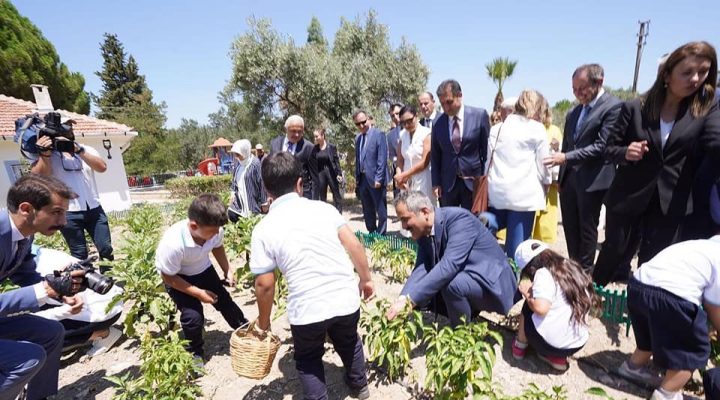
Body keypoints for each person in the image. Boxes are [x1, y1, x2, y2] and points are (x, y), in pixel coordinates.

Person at [593, 41, 720, 286]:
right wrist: (626, 152)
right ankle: (590, 297)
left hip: (671, 202)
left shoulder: (705, 109)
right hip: (629, 196)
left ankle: (641, 304)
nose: (695, 79)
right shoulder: (634, 108)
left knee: (656, 264)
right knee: (613, 253)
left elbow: (714, 141)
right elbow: (608, 149)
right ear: (667, 75)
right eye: (687, 72)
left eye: (703, 72)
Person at [250, 152, 374, 400]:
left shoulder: (263, 228)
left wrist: (264, 322)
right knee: (349, 341)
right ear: (299, 184)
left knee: (308, 359)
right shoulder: (324, 210)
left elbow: (264, 284)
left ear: (266, 189)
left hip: (307, 310)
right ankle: (359, 386)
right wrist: (366, 279)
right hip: (344, 299)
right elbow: (354, 245)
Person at [616, 181, 720, 400]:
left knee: (651, 335)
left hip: (639, 284)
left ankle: (633, 367)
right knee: (694, 350)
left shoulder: (703, 246)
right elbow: (713, 305)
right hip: (671, 295)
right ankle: (666, 393)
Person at [0, 174, 85, 400]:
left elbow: (24, 274)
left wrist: (61, 294)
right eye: (57, 212)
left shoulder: (23, 235)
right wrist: (44, 291)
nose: (64, 221)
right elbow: (38, 288)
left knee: (51, 332)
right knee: (27, 358)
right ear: (26, 209)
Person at [386, 191, 517, 327]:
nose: (403, 226)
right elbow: (422, 267)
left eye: (405, 219)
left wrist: (411, 300)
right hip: (471, 277)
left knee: (452, 285)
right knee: (423, 290)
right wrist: (403, 298)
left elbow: (449, 266)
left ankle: (461, 335)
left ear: (425, 212)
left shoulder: (460, 220)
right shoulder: (424, 231)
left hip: (493, 284)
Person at [543, 64, 622, 273]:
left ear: (599, 82)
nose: (577, 93)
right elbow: (568, 144)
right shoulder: (574, 111)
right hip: (570, 181)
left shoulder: (613, 107)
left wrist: (565, 158)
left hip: (593, 180)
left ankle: (585, 275)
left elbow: (601, 146)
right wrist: (561, 179)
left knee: (587, 230)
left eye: (582, 88)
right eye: (574, 89)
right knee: (570, 229)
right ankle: (573, 271)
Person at [155, 194, 248, 364]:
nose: (216, 234)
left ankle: (244, 329)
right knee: (193, 317)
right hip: (177, 278)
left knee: (224, 301)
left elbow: (217, 246)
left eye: (217, 230)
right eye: (212, 232)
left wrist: (227, 270)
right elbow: (167, 276)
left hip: (203, 269)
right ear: (193, 226)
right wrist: (198, 293)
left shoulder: (215, 230)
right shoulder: (173, 244)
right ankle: (195, 352)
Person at [482, 89, 552, 259]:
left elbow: (488, 161)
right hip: (523, 197)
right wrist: (547, 183)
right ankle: (512, 274)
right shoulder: (537, 129)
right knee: (516, 251)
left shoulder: (497, 129)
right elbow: (544, 164)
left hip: (497, 192)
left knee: (486, 237)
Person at [512, 240, 597, 372]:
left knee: (528, 306)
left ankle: (519, 347)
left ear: (530, 268)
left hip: (551, 344)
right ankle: (557, 358)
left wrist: (527, 293)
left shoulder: (543, 273)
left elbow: (541, 309)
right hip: (577, 343)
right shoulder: (570, 266)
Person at [31, 133, 114, 262]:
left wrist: (79, 150)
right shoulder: (48, 154)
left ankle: (107, 273)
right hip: (67, 212)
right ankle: (85, 275)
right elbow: (38, 178)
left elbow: (102, 167)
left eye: (69, 125)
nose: (66, 130)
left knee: (106, 248)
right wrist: (45, 155)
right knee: (79, 253)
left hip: (94, 207)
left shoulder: (85, 149)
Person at [32, 246, 123, 356]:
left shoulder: (32, 273)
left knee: (30, 334)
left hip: (102, 315)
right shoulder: (38, 252)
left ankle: (102, 334)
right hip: (113, 300)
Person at [431, 79, 491, 210]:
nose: (446, 108)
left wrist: (484, 179)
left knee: (472, 220)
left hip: (473, 182)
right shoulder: (437, 123)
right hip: (447, 184)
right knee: (448, 219)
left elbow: (486, 152)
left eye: (449, 102)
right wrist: (436, 183)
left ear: (459, 95)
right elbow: (435, 156)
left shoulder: (479, 116)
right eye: (442, 104)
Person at [353, 109, 389, 235]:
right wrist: (357, 179)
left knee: (380, 209)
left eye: (363, 122)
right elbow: (358, 159)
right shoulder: (358, 138)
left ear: (368, 119)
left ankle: (382, 234)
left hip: (375, 179)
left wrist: (379, 178)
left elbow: (382, 158)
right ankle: (372, 233)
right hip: (363, 179)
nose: (361, 125)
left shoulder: (379, 134)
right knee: (367, 209)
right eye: (358, 124)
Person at [533, 100, 564, 243]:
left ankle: (544, 245)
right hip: (534, 179)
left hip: (550, 180)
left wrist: (556, 147)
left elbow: (561, 152)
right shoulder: (531, 128)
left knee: (547, 214)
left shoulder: (554, 129)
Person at [395, 104, 434, 203]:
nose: (407, 125)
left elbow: (424, 162)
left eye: (409, 121)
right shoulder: (402, 135)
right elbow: (400, 160)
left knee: (422, 206)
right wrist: (399, 175)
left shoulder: (426, 133)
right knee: (407, 207)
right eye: (403, 122)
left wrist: (404, 175)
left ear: (416, 116)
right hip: (405, 181)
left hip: (422, 179)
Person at [269, 115, 314, 199]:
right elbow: (270, 171)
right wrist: (270, 194)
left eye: (300, 131)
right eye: (293, 131)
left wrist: (312, 200)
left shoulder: (308, 147)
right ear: (285, 129)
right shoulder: (275, 144)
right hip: (279, 195)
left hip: (301, 197)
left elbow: (314, 178)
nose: (297, 134)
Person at [228, 139, 267, 221]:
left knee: (252, 220)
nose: (236, 157)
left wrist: (264, 202)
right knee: (232, 215)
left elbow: (261, 183)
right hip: (239, 202)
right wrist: (232, 193)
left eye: (238, 155)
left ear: (245, 152)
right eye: (235, 155)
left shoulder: (255, 164)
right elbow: (234, 180)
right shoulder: (238, 163)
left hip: (252, 201)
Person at [310, 128, 343, 212]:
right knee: (322, 196)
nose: (315, 138)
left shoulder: (331, 147)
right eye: (314, 137)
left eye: (316, 136)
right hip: (320, 173)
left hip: (331, 173)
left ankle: (339, 213)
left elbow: (336, 161)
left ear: (322, 135)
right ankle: (324, 214)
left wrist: (339, 174)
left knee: (336, 195)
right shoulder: (315, 149)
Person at [387, 103, 403, 199]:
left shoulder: (415, 129)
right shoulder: (390, 136)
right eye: (393, 116)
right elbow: (392, 156)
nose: (396, 117)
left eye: (397, 113)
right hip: (399, 174)